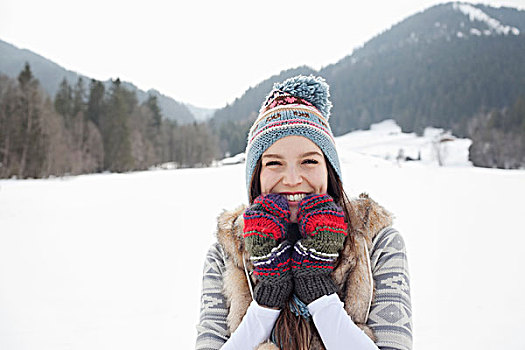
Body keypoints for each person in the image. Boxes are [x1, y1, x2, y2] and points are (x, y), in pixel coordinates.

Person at [196, 75, 412, 350]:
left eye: (309, 161)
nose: (293, 178)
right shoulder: (227, 253)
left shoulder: (377, 242)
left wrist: (318, 292)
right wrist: (267, 300)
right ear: (256, 176)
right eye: (275, 163)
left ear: (329, 169)